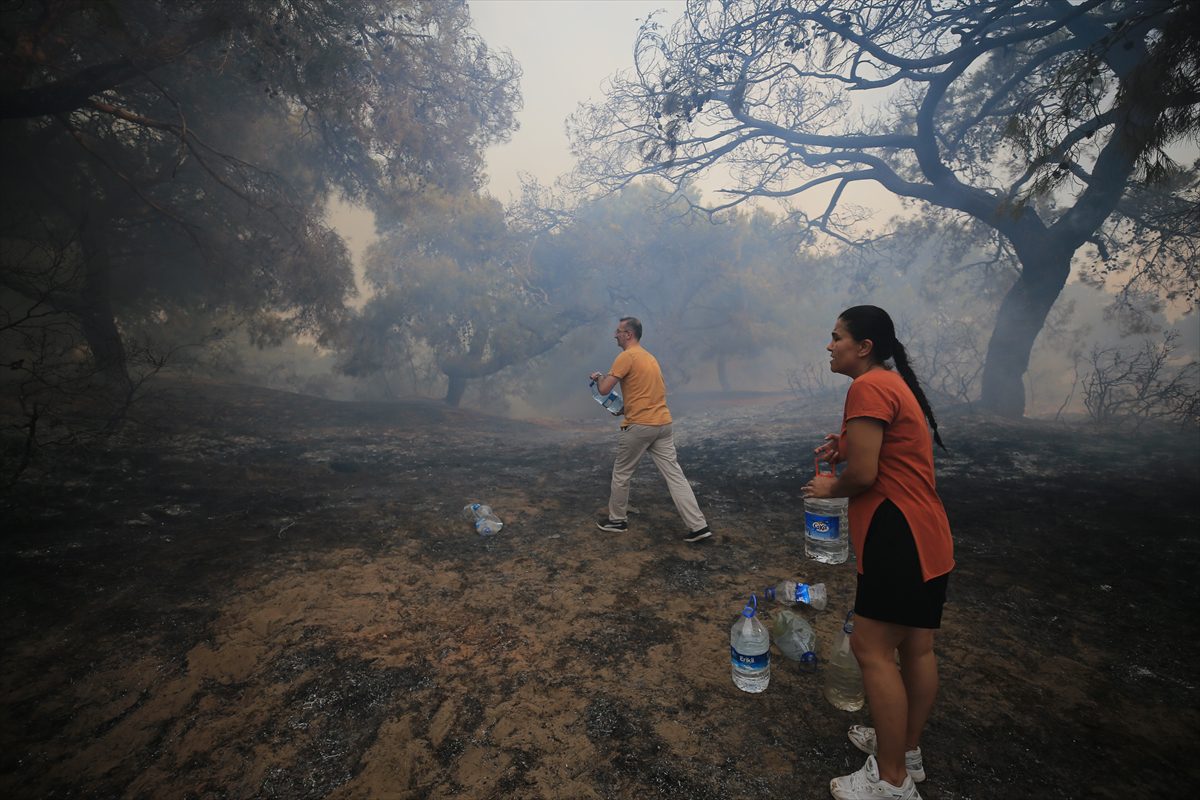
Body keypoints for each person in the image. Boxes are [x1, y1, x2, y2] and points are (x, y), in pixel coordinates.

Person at [801, 305, 954, 800]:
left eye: (836, 336)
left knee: (871, 649)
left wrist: (830, 487)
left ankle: (891, 780)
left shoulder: (866, 387)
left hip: (897, 535)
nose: (829, 345)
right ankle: (905, 750)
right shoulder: (889, 383)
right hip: (927, 533)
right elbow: (882, 449)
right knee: (916, 647)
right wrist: (842, 447)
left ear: (863, 346)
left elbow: (865, 476)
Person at [589, 317, 712, 543]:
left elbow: (605, 389)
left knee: (621, 474)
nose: (615, 335)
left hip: (640, 426)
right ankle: (699, 526)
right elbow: (648, 393)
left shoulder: (626, 357)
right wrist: (626, 408)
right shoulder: (650, 358)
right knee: (675, 476)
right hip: (663, 424)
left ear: (629, 334)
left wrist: (598, 378)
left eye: (618, 331)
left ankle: (617, 520)